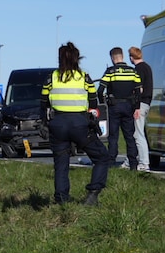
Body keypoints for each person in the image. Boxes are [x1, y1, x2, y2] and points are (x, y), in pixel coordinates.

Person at [42, 42, 113, 206]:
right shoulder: (84, 77)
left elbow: (43, 102)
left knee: (61, 163)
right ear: (77, 58)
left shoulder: (51, 77)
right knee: (102, 157)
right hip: (79, 124)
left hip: (58, 123)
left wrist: (45, 123)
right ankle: (93, 194)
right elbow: (94, 101)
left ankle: (61, 200)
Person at [97, 47, 142, 170]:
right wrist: (137, 107)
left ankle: (111, 162)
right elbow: (138, 92)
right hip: (129, 106)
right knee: (129, 136)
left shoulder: (110, 71)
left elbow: (100, 90)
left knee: (113, 136)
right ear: (122, 56)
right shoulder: (133, 72)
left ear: (112, 58)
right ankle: (133, 163)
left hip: (114, 107)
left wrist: (103, 104)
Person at [128, 46, 152, 172]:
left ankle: (144, 162)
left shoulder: (138, 69)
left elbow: (139, 89)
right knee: (137, 132)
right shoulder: (147, 67)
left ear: (131, 57)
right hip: (147, 102)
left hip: (140, 104)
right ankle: (130, 160)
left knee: (138, 134)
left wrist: (135, 105)